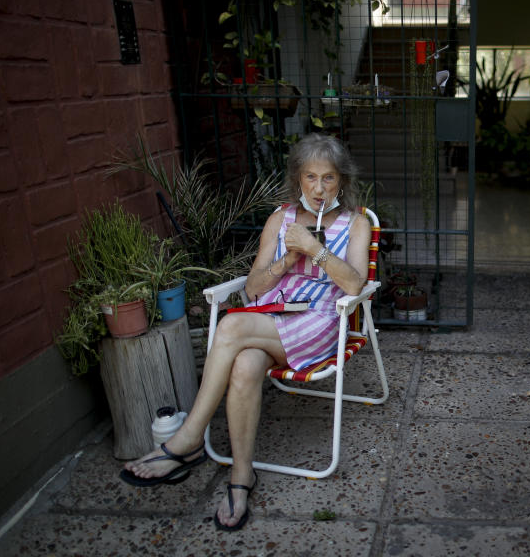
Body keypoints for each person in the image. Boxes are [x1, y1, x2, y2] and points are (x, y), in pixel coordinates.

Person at [120, 133, 370, 531]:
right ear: (297, 179)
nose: (319, 189)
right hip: (272, 316)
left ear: (342, 181)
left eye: (329, 178)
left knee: (232, 323)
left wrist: (315, 248)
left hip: (321, 320)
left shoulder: (355, 224)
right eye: (310, 177)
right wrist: (288, 258)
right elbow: (254, 288)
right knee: (244, 366)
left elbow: (355, 286)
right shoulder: (280, 218)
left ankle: (188, 440)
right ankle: (241, 477)